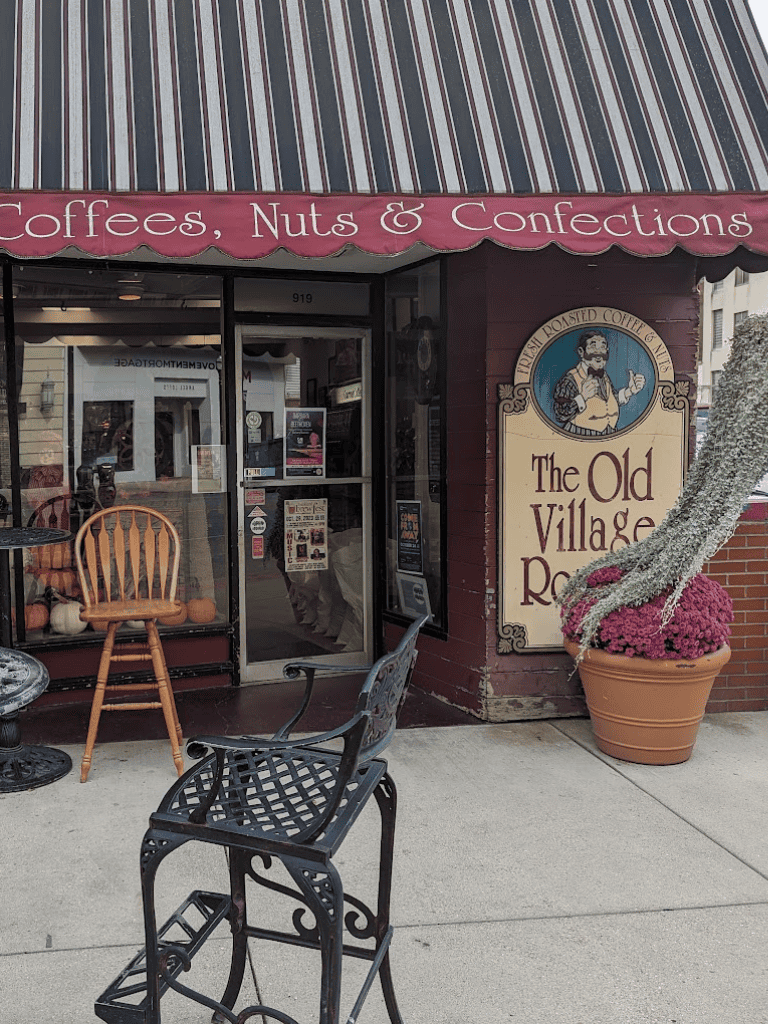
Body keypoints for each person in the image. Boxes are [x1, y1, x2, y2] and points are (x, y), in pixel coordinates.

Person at [552, 329, 645, 436]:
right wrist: (583, 397)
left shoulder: (604, 375)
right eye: (593, 346)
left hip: (609, 434)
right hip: (581, 435)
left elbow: (609, 400)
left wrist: (629, 391)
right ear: (581, 352)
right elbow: (560, 413)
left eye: (602, 347)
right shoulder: (570, 380)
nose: (599, 352)